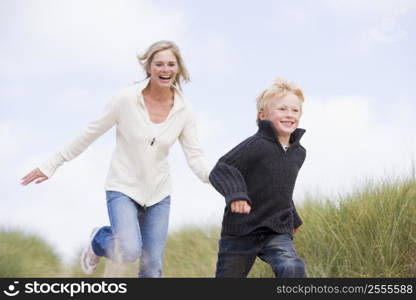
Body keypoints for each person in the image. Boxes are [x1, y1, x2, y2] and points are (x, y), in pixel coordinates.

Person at [21, 40, 211, 278]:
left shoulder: (185, 110)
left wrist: (216, 178)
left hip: (159, 194)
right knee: (130, 250)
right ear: (149, 68)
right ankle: (99, 240)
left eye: (171, 64)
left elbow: (195, 156)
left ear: (178, 68)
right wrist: (51, 164)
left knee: (152, 268)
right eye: (159, 64)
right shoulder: (125, 100)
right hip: (123, 187)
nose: (165, 69)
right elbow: (89, 133)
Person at [209, 77, 306, 278]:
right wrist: (237, 196)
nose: (289, 114)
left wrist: (292, 218)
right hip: (242, 231)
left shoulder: (299, 153)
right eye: (282, 109)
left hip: (276, 230)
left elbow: (280, 188)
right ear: (262, 115)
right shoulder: (256, 145)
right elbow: (222, 168)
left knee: (292, 267)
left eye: (295, 110)